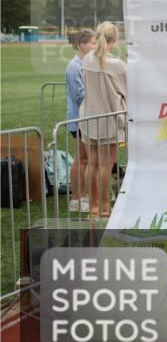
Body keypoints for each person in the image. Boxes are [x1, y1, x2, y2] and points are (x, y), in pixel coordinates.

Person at [79, 21, 127, 219]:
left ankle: (94, 207)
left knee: (92, 164)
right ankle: (105, 208)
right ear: (114, 40)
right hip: (108, 120)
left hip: (89, 117)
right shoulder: (117, 64)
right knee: (105, 165)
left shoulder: (87, 59)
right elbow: (127, 90)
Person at [66, 29, 97, 212]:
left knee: (87, 159)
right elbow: (79, 96)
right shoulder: (74, 67)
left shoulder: (87, 63)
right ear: (81, 45)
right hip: (78, 119)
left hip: (88, 117)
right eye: (92, 43)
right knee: (81, 159)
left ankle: (84, 195)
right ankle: (76, 199)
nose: (95, 46)